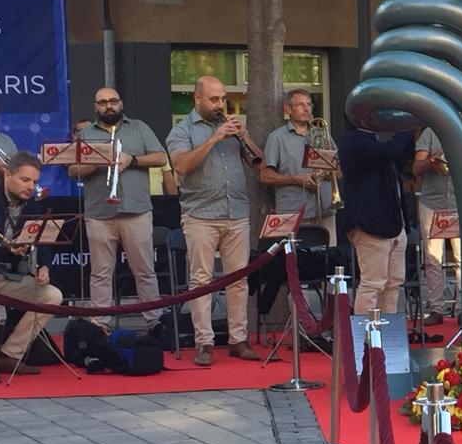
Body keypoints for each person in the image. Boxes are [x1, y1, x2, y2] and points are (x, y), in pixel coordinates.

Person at [167, 76, 262, 366]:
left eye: (223, 98)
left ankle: (238, 339)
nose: (220, 104)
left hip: (236, 213)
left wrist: (243, 136)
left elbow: (259, 161)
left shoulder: (232, 130)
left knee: (238, 280)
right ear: (197, 98)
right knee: (201, 281)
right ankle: (204, 343)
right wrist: (214, 138)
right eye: (214, 99)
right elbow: (181, 165)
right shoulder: (181, 131)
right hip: (200, 215)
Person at [71, 87, 165, 333]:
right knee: (100, 273)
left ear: (121, 103)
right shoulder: (85, 134)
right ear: (95, 106)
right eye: (102, 102)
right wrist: (97, 161)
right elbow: (72, 171)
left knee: (144, 270)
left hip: (137, 211)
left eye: (113, 101)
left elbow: (160, 157)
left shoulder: (139, 127)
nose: (108, 106)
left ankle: (155, 322)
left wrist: (131, 159)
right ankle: (100, 325)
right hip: (99, 213)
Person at [0, 154, 64, 381]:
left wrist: (44, 266)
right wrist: (4, 249)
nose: (31, 187)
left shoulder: (33, 207)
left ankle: (10, 354)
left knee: (53, 296)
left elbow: (42, 245)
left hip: (8, 277)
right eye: (25, 180)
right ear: (7, 175)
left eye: (35, 182)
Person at [338, 126, 415, 315]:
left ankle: (386, 337)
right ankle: (365, 341)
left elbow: (399, 157)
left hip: (394, 223)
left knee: (393, 284)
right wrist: (408, 124)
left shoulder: (374, 140)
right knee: (373, 284)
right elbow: (392, 150)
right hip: (370, 224)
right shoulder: (354, 141)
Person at [260, 89, 336, 241]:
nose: (306, 108)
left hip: (325, 210)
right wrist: (296, 179)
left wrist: (325, 174)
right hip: (292, 211)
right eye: (301, 104)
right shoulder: (277, 138)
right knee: (295, 260)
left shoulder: (322, 133)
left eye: (309, 104)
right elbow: (265, 176)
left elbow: (339, 171)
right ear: (287, 109)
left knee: (326, 258)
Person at [412, 126, 458, 325]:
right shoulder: (430, 133)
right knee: (432, 259)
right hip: (432, 202)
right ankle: (436, 309)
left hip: (461, 201)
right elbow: (416, 169)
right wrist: (431, 160)